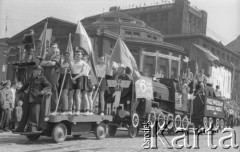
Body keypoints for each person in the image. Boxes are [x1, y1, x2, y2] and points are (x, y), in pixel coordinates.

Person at [17, 65, 51, 132]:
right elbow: (25, 86)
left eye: (40, 70)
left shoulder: (42, 78)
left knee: (34, 114)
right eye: (37, 70)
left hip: (36, 98)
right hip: (28, 98)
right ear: (34, 70)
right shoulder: (30, 78)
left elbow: (48, 86)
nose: (39, 71)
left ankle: (33, 128)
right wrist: (19, 91)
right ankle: (20, 128)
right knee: (25, 114)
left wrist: (43, 91)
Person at [41, 43, 61, 115]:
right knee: (46, 89)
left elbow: (52, 63)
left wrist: (46, 63)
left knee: (53, 89)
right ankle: (46, 108)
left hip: (53, 75)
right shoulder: (47, 56)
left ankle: (54, 108)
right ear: (50, 48)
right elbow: (41, 63)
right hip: (46, 74)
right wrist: (47, 62)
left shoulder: (57, 55)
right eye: (52, 47)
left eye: (55, 47)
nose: (54, 49)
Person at [69, 49, 85, 116]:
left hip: (79, 77)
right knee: (71, 93)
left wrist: (75, 78)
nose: (77, 55)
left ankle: (77, 110)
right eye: (76, 54)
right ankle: (70, 109)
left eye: (79, 54)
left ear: (81, 55)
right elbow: (70, 70)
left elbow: (83, 72)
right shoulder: (72, 61)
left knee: (78, 94)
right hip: (72, 77)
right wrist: (71, 77)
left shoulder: (83, 62)